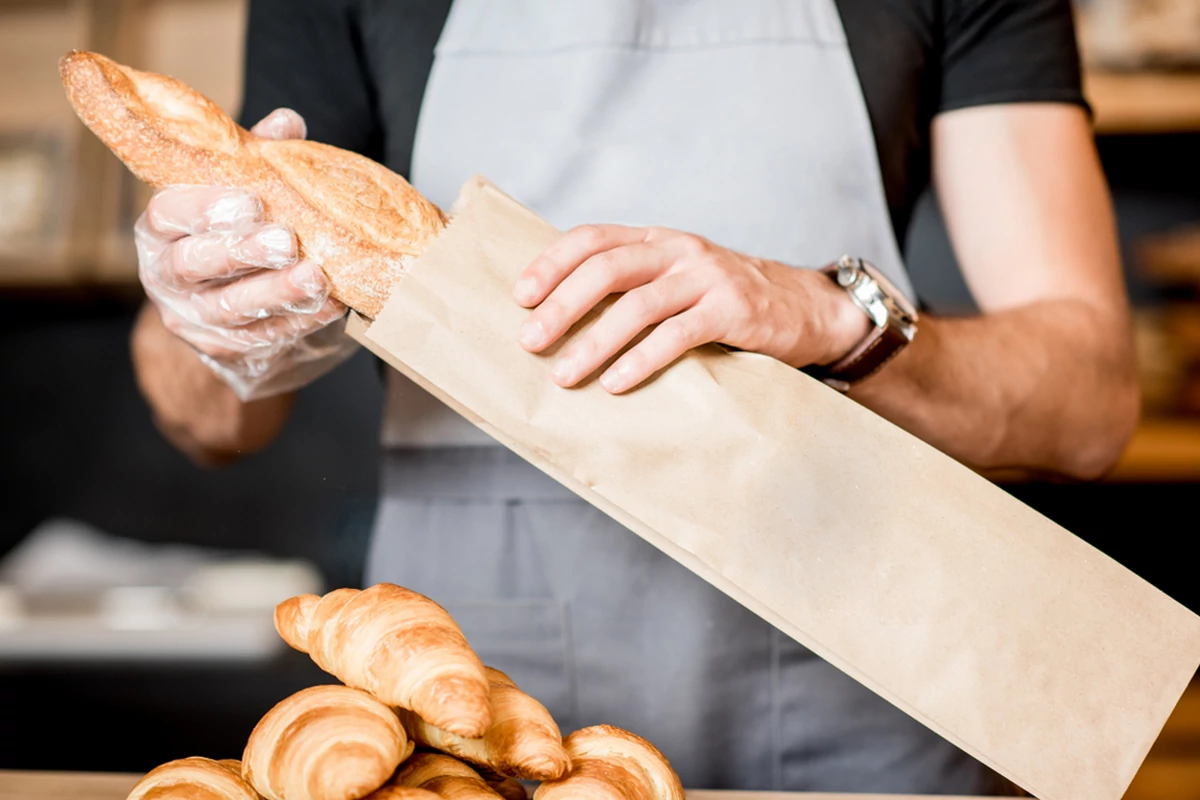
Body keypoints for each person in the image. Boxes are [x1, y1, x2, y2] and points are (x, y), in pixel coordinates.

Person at [130, 0, 1138, 793]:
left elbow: (1092, 405)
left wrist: (836, 316)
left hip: (870, 692)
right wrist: (216, 323)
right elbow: (214, 419)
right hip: (477, 703)